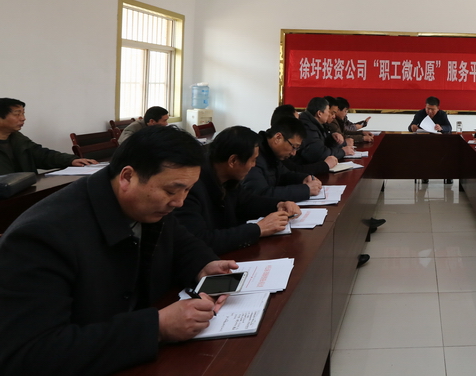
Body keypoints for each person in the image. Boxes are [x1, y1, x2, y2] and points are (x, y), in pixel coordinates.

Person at [0, 125, 237, 375]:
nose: (179, 202)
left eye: (187, 190)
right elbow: (29, 354)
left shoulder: (148, 206)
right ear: (127, 177)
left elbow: (180, 242)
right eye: (171, 190)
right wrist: (157, 328)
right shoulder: (41, 237)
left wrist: (203, 265)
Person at [176, 126, 301, 255]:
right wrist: (258, 229)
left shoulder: (227, 178)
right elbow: (201, 240)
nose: (254, 165)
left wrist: (278, 204)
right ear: (233, 161)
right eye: (253, 160)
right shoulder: (190, 187)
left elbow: (245, 201)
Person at [0, 97, 95, 174]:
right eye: (17, 114)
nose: (23, 118)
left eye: (23, 114)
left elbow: (43, 156)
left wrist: (71, 160)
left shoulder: (18, 139)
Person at [241, 116, 322, 202]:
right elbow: (260, 194)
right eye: (293, 147)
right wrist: (305, 190)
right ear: (278, 138)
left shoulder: (270, 152)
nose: (293, 153)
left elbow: (284, 175)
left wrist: (303, 178)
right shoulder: (254, 155)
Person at [270, 104, 339, 177]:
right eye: (298, 121)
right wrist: (325, 165)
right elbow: (294, 170)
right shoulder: (279, 147)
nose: (300, 124)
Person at [296, 97, 354, 165]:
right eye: (328, 112)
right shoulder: (308, 127)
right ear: (319, 113)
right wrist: (343, 152)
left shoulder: (316, 124)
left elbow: (323, 144)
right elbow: (319, 154)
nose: (331, 115)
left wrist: (332, 138)